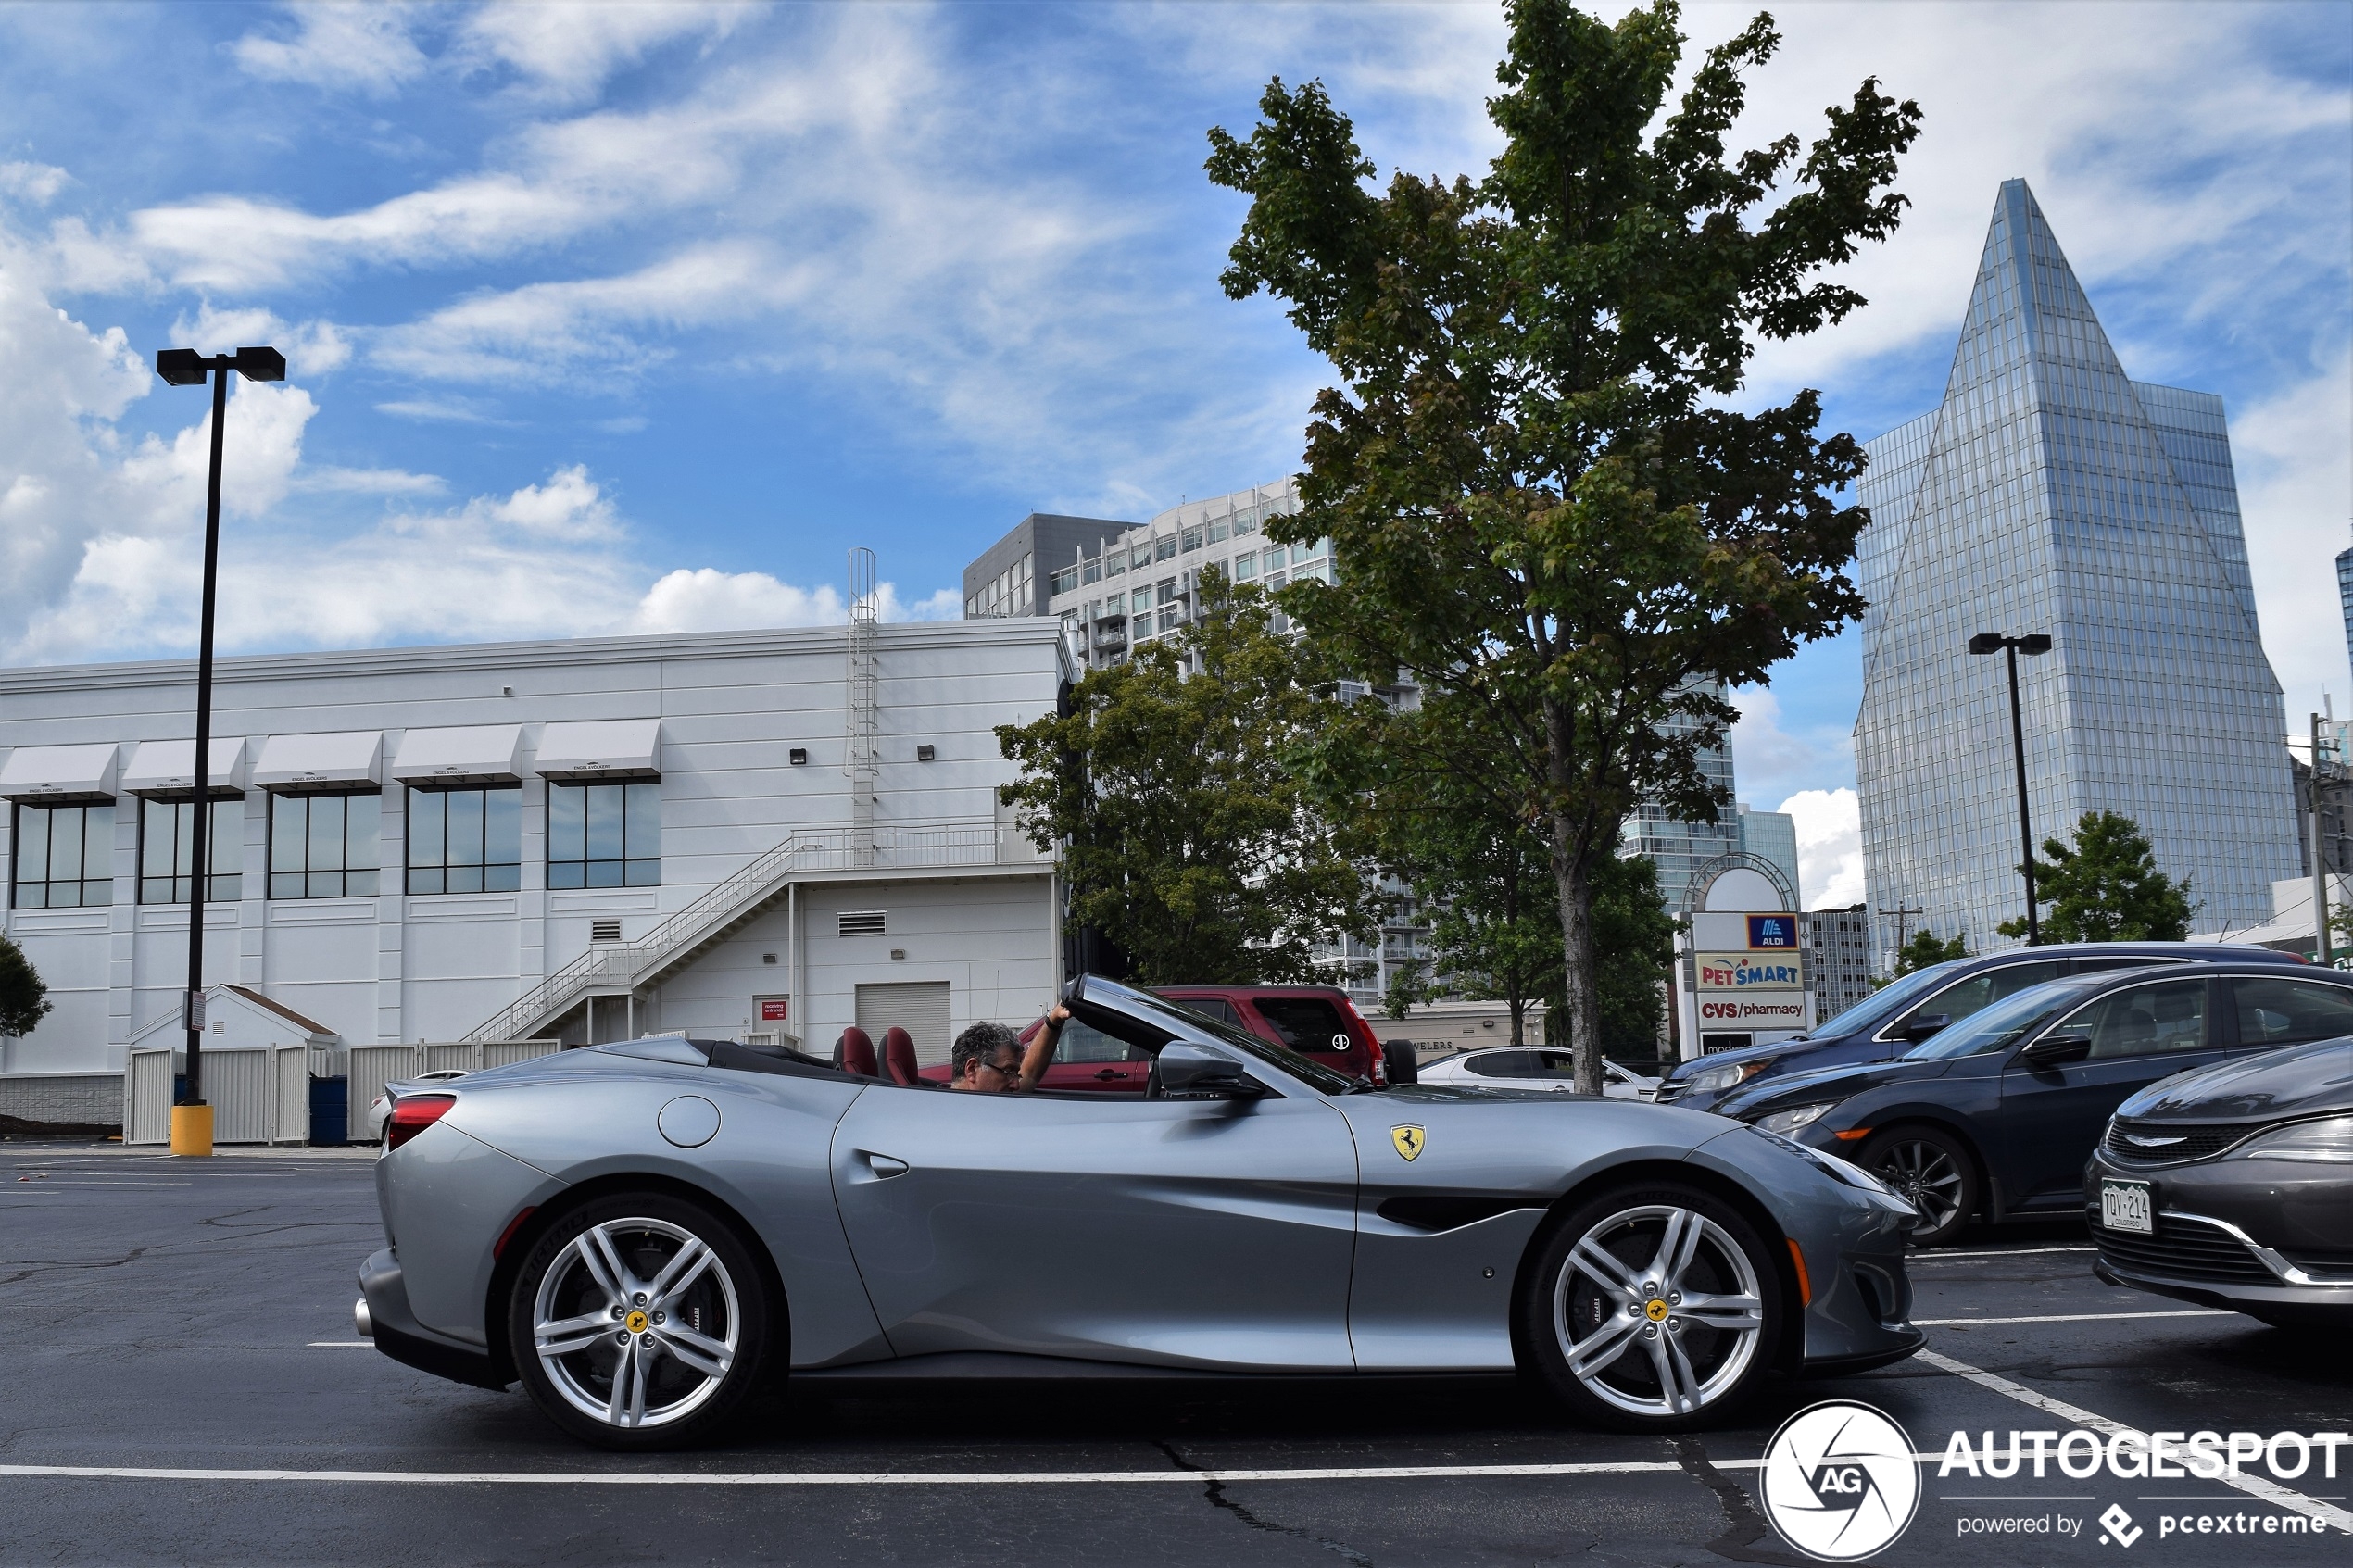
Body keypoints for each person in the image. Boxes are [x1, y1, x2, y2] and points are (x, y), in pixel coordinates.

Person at [950, 1003, 1070, 1092]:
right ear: (972, 1069)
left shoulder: (995, 1103)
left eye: (1016, 1075)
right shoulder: (945, 1119)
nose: (1016, 1085)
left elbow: (1030, 1073)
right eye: (1007, 1071)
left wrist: (1054, 1020)